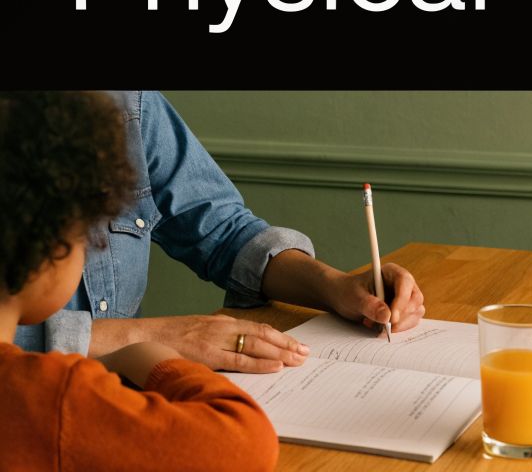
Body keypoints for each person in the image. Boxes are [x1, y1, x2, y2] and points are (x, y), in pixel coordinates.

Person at [13, 91, 427, 374]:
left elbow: (224, 231)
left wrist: (334, 285)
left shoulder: (126, 101)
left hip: (117, 403)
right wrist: (149, 336)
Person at [0, 91, 278, 470]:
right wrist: (150, 355)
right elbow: (246, 442)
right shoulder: (50, 399)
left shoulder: (131, 102)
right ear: (49, 247)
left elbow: (224, 228)